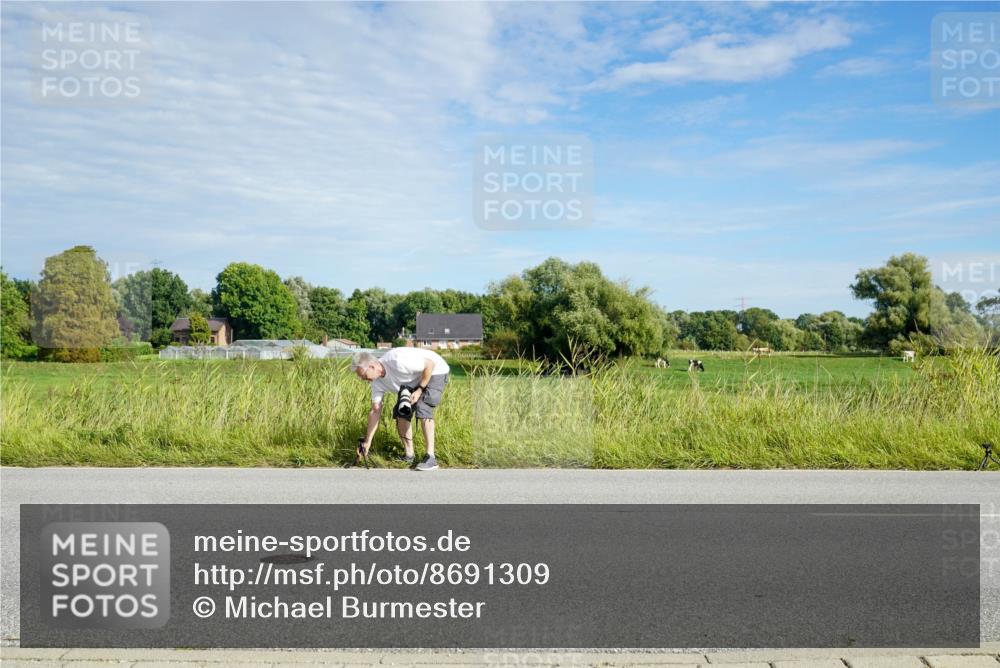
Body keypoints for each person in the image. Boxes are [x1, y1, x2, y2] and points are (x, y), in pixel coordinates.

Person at [352, 347, 450, 471]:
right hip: (414, 380)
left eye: (364, 376)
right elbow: (375, 410)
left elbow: (429, 364)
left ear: (372, 366)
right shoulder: (376, 382)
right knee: (401, 411)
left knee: (422, 407)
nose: (363, 380)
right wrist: (368, 441)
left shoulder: (397, 360)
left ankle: (431, 457)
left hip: (435, 370)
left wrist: (419, 390)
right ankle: (409, 455)